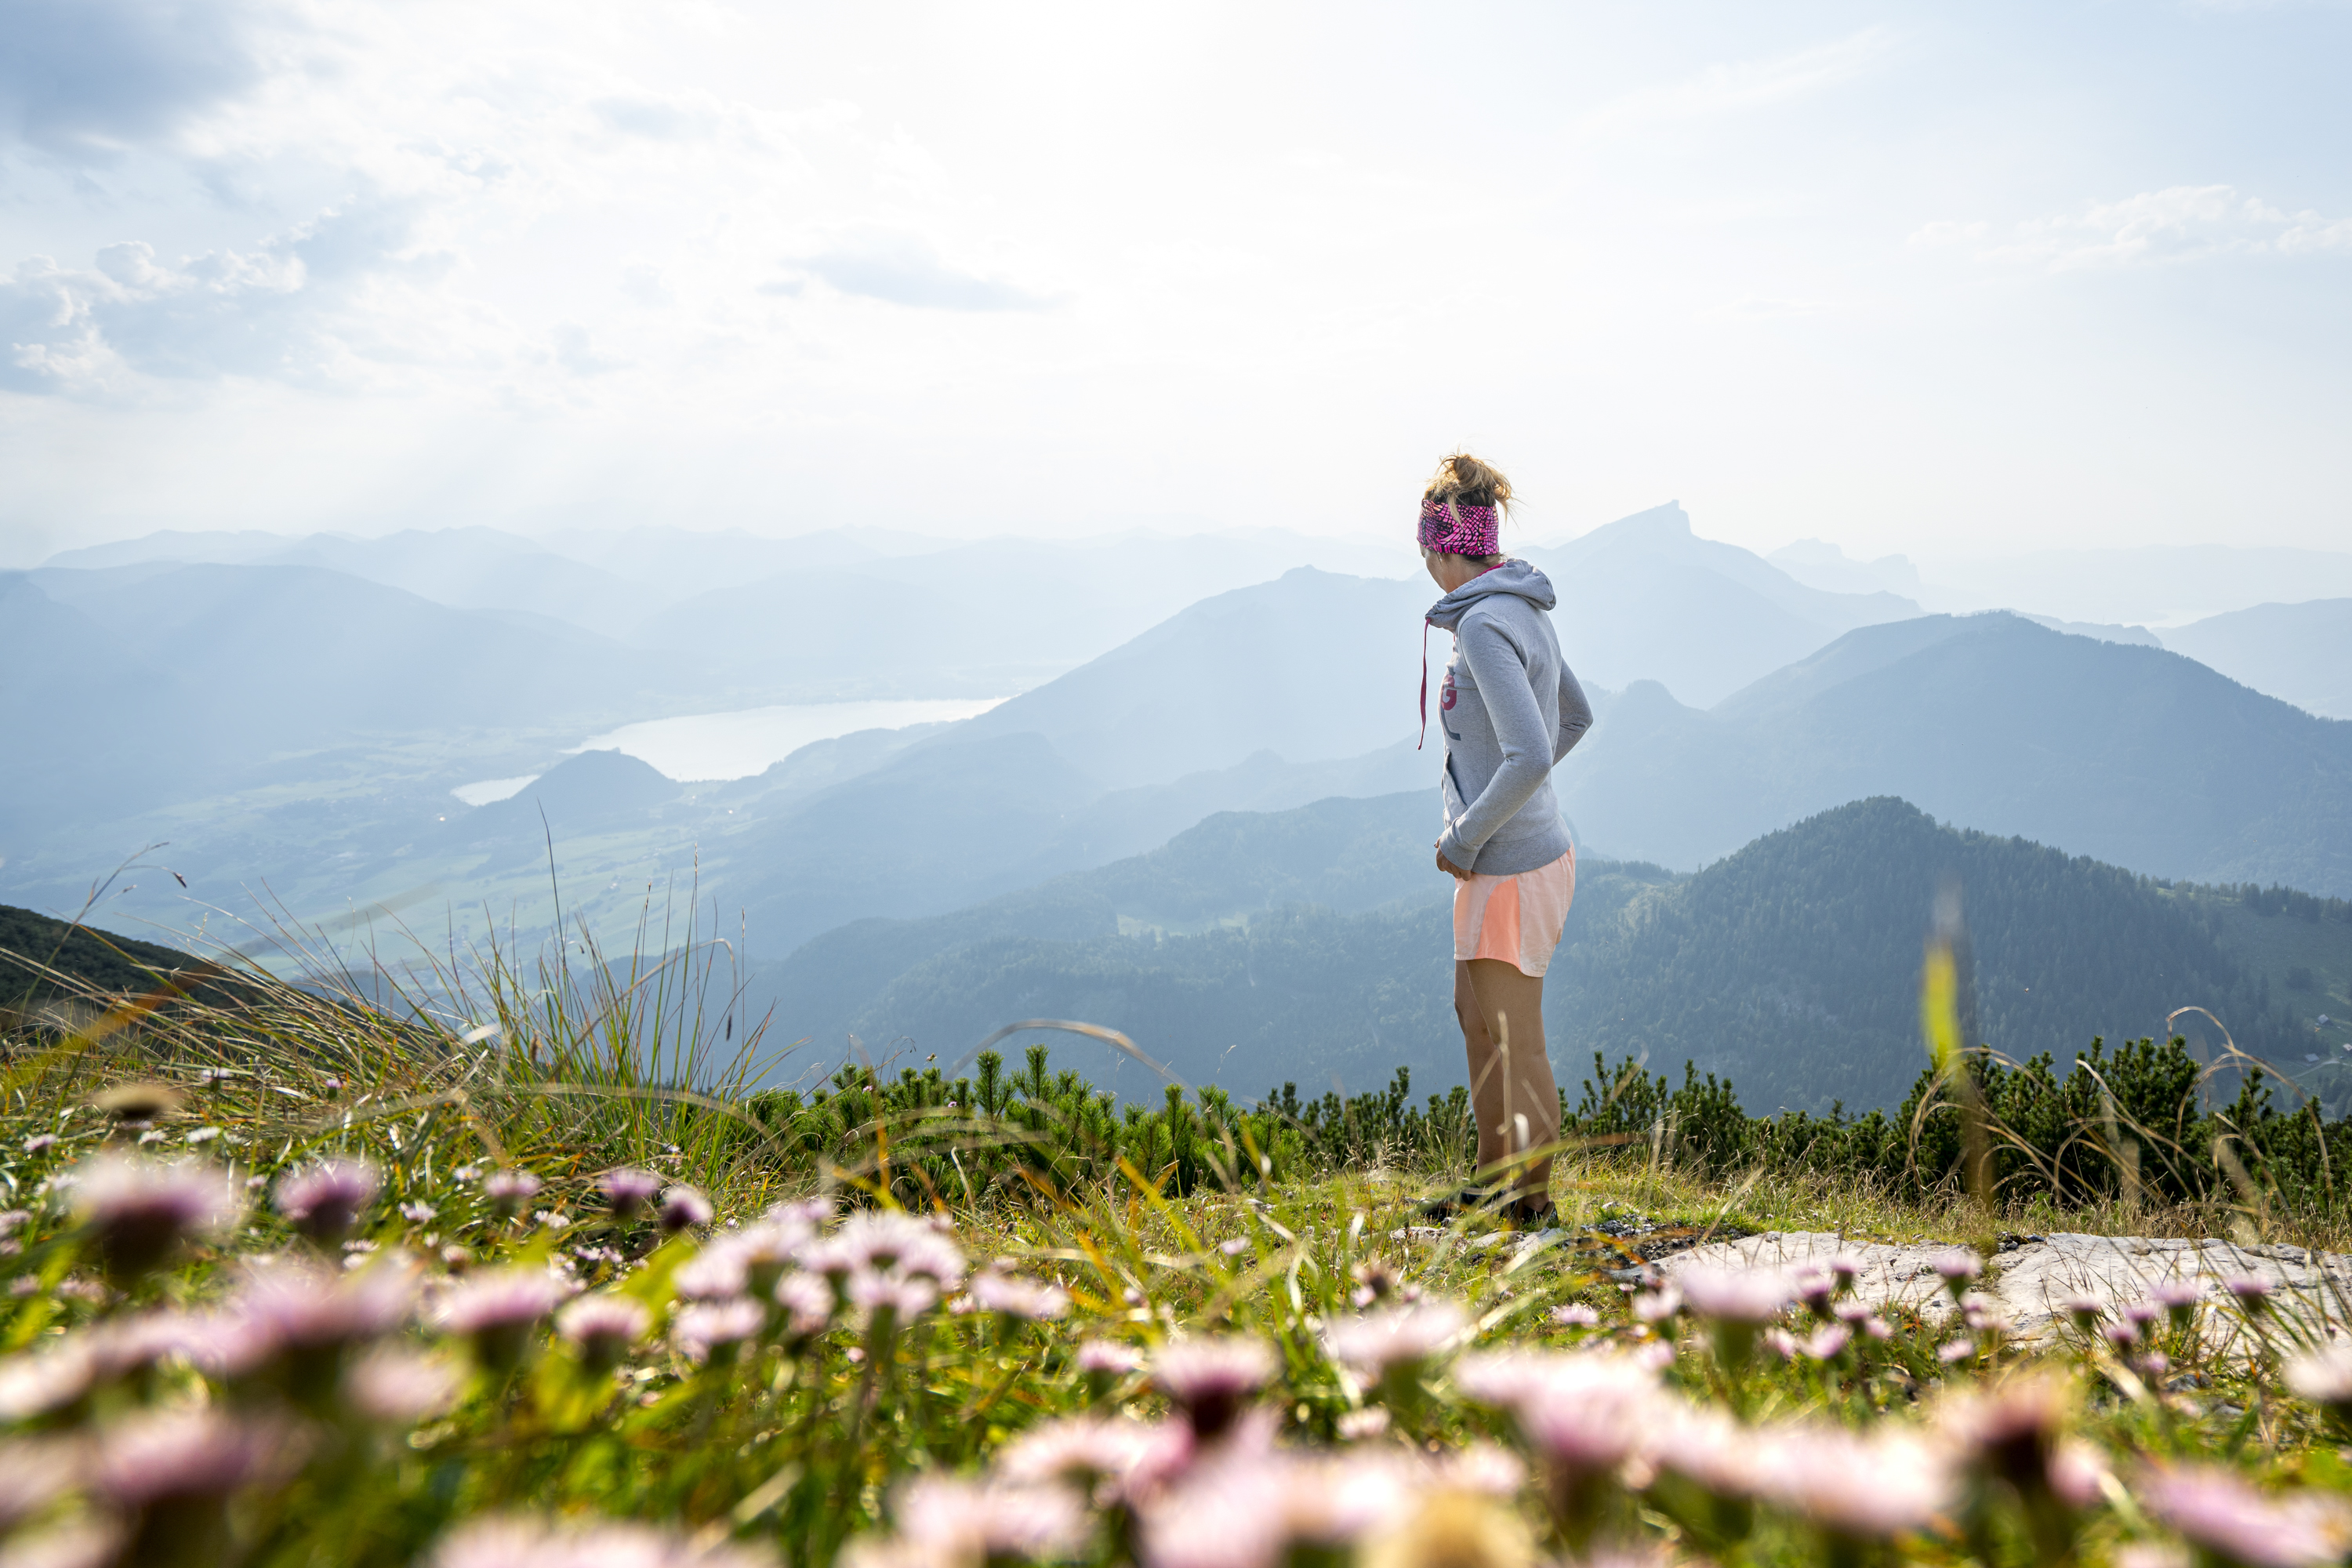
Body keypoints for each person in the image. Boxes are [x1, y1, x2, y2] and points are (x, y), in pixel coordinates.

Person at [1416, 452, 1593, 1226]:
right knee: (1475, 1015)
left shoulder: (1488, 624)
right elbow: (1575, 717)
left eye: (1424, 546)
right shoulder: (1521, 609)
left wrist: (1470, 831)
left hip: (1509, 865)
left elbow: (1529, 750)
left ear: (1441, 545)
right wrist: (1513, 808)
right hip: (1514, 855)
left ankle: (1532, 1207)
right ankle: (1494, 1183)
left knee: (1517, 1041)